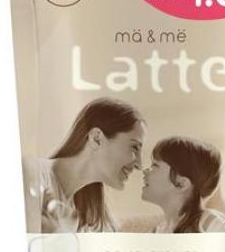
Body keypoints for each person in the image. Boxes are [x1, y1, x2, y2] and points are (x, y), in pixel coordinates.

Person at [26, 98, 146, 233]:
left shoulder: (88, 219)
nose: (139, 165)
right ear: (96, 138)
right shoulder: (32, 174)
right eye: (134, 147)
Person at [141, 136, 225, 233]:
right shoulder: (157, 232)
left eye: (155, 165)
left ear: (181, 183)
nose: (145, 170)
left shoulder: (209, 222)